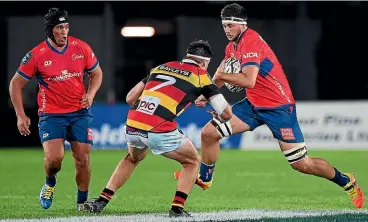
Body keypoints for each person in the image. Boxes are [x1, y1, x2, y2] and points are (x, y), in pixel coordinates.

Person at [174, 3, 365, 208]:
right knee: (209, 134)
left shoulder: (251, 41)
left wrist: (220, 77)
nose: (226, 30)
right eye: (224, 26)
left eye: (230, 25)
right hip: (253, 105)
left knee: (302, 164)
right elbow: (220, 75)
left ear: (242, 24)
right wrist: (207, 94)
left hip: (278, 108)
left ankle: (346, 181)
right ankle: (205, 177)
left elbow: (248, 81)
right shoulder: (232, 46)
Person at [83, 40, 233, 217]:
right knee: (192, 162)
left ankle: (101, 201)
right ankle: (177, 209)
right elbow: (226, 113)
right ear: (204, 62)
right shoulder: (201, 76)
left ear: (187, 57)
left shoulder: (161, 67)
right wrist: (218, 115)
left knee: (131, 159)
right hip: (159, 127)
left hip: (133, 124)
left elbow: (130, 98)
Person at [9, 8, 103, 210]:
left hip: (79, 113)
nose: (64, 32)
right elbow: (15, 84)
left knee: (83, 158)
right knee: (54, 160)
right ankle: (50, 183)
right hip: (51, 114)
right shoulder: (37, 55)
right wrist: (20, 115)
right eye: (59, 28)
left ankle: (82, 202)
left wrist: (91, 94)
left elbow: (97, 73)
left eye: (66, 27)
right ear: (50, 30)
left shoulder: (81, 48)